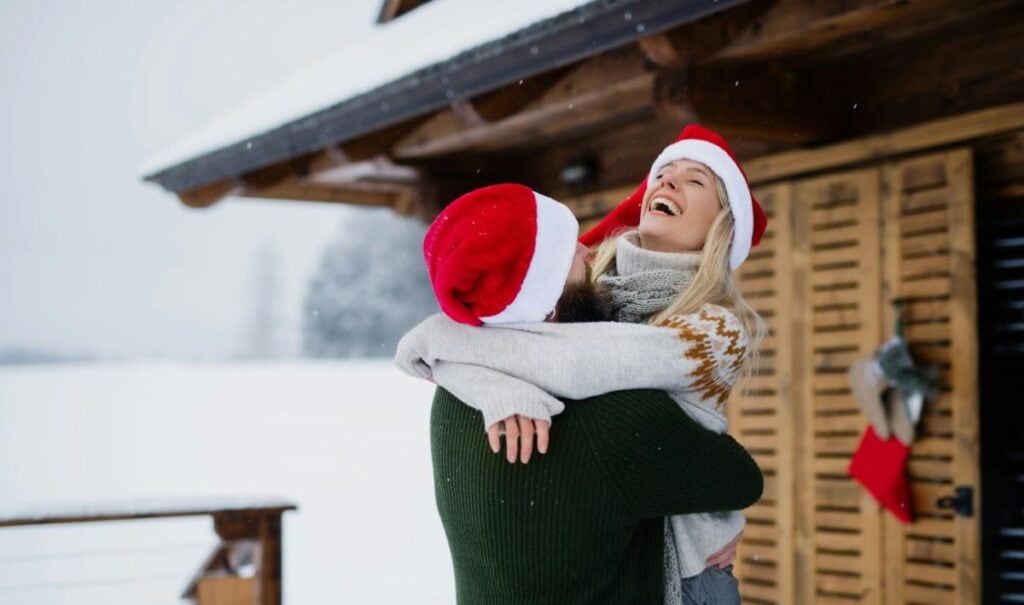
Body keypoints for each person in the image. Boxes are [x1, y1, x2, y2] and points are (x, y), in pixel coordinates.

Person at [397, 125, 768, 604]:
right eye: (662, 174)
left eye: (695, 181)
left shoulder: (717, 329)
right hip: (613, 555)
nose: (666, 184)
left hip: (690, 572)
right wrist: (495, 388)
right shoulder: (590, 294)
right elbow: (522, 345)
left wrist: (443, 338)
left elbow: (570, 364)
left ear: (723, 226)